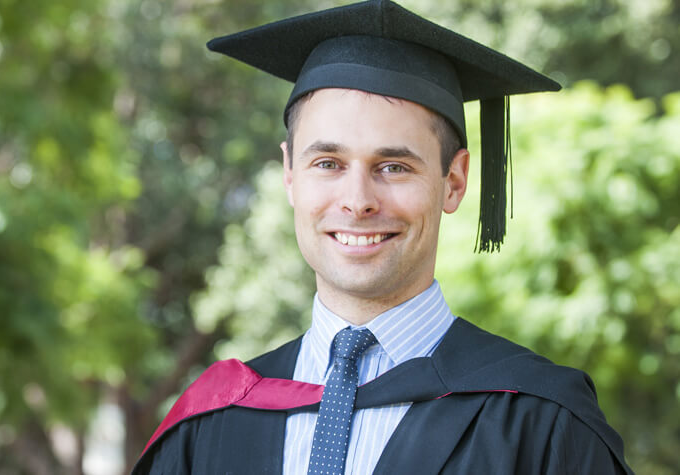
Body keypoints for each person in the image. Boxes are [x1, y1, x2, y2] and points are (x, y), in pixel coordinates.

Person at [133, 1, 633, 473]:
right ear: (289, 174)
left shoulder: (541, 422)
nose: (358, 200)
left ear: (453, 182)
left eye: (393, 166)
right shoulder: (212, 419)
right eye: (327, 163)